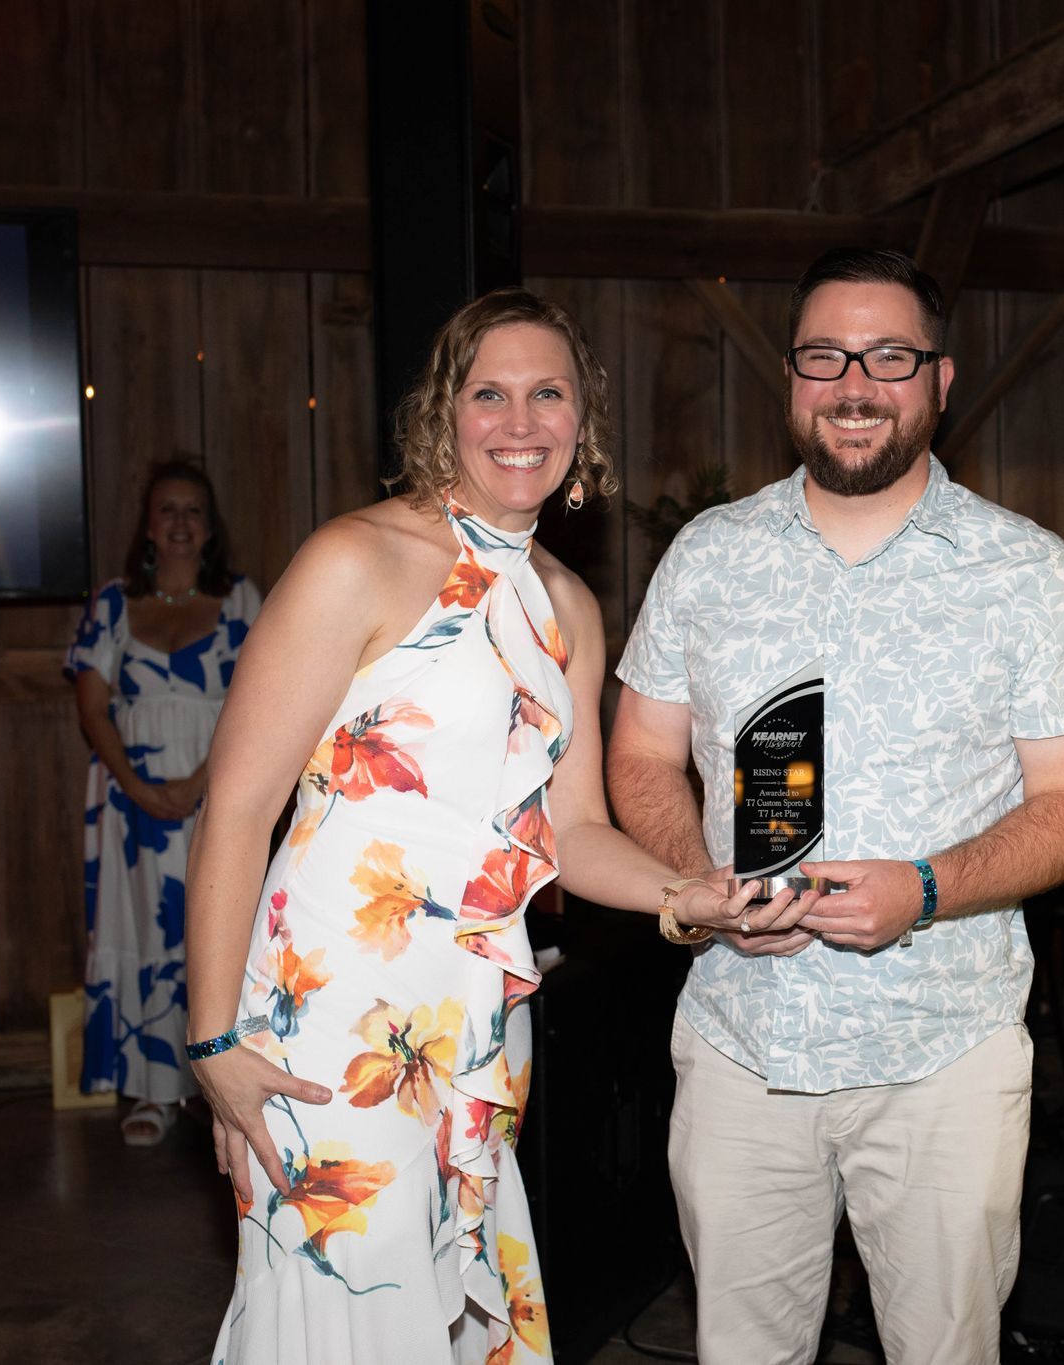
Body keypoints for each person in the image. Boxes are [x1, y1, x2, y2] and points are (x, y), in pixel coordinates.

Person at [182, 288, 770, 1364]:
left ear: (581, 422)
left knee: (450, 1308)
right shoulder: (353, 560)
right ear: (441, 414)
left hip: (481, 1022)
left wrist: (691, 894)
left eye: (548, 394)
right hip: (330, 1021)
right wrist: (214, 1040)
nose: (520, 421)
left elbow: (575, 830)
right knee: (347, 1308)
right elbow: (237, 807)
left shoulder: (569, 607)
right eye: (488, 393)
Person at [606, 247, 1064, 1365]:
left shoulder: (1023, 572)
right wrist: (706, 882)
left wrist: (924, 893)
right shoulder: (711, 556)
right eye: (825, 354)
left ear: (940, 379)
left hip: (944, 1054)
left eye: (890, 356)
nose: (854, 383)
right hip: (744, 1045)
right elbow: (640, 755)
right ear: (792, 377)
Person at [67, 459, 260, 1146]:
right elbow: (93, 707)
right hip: (129, 798)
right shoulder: (113, 602)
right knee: (144, 933)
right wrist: (140, 784)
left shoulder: (241, 601)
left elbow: (261, 703)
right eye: (167, 510)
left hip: (224, 790)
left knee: (216, 931)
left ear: (210, 529)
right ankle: (149, 1089)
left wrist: (202, 781)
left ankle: (218, 1089)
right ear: (149, 525)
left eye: (194, 511)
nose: (180, 523)